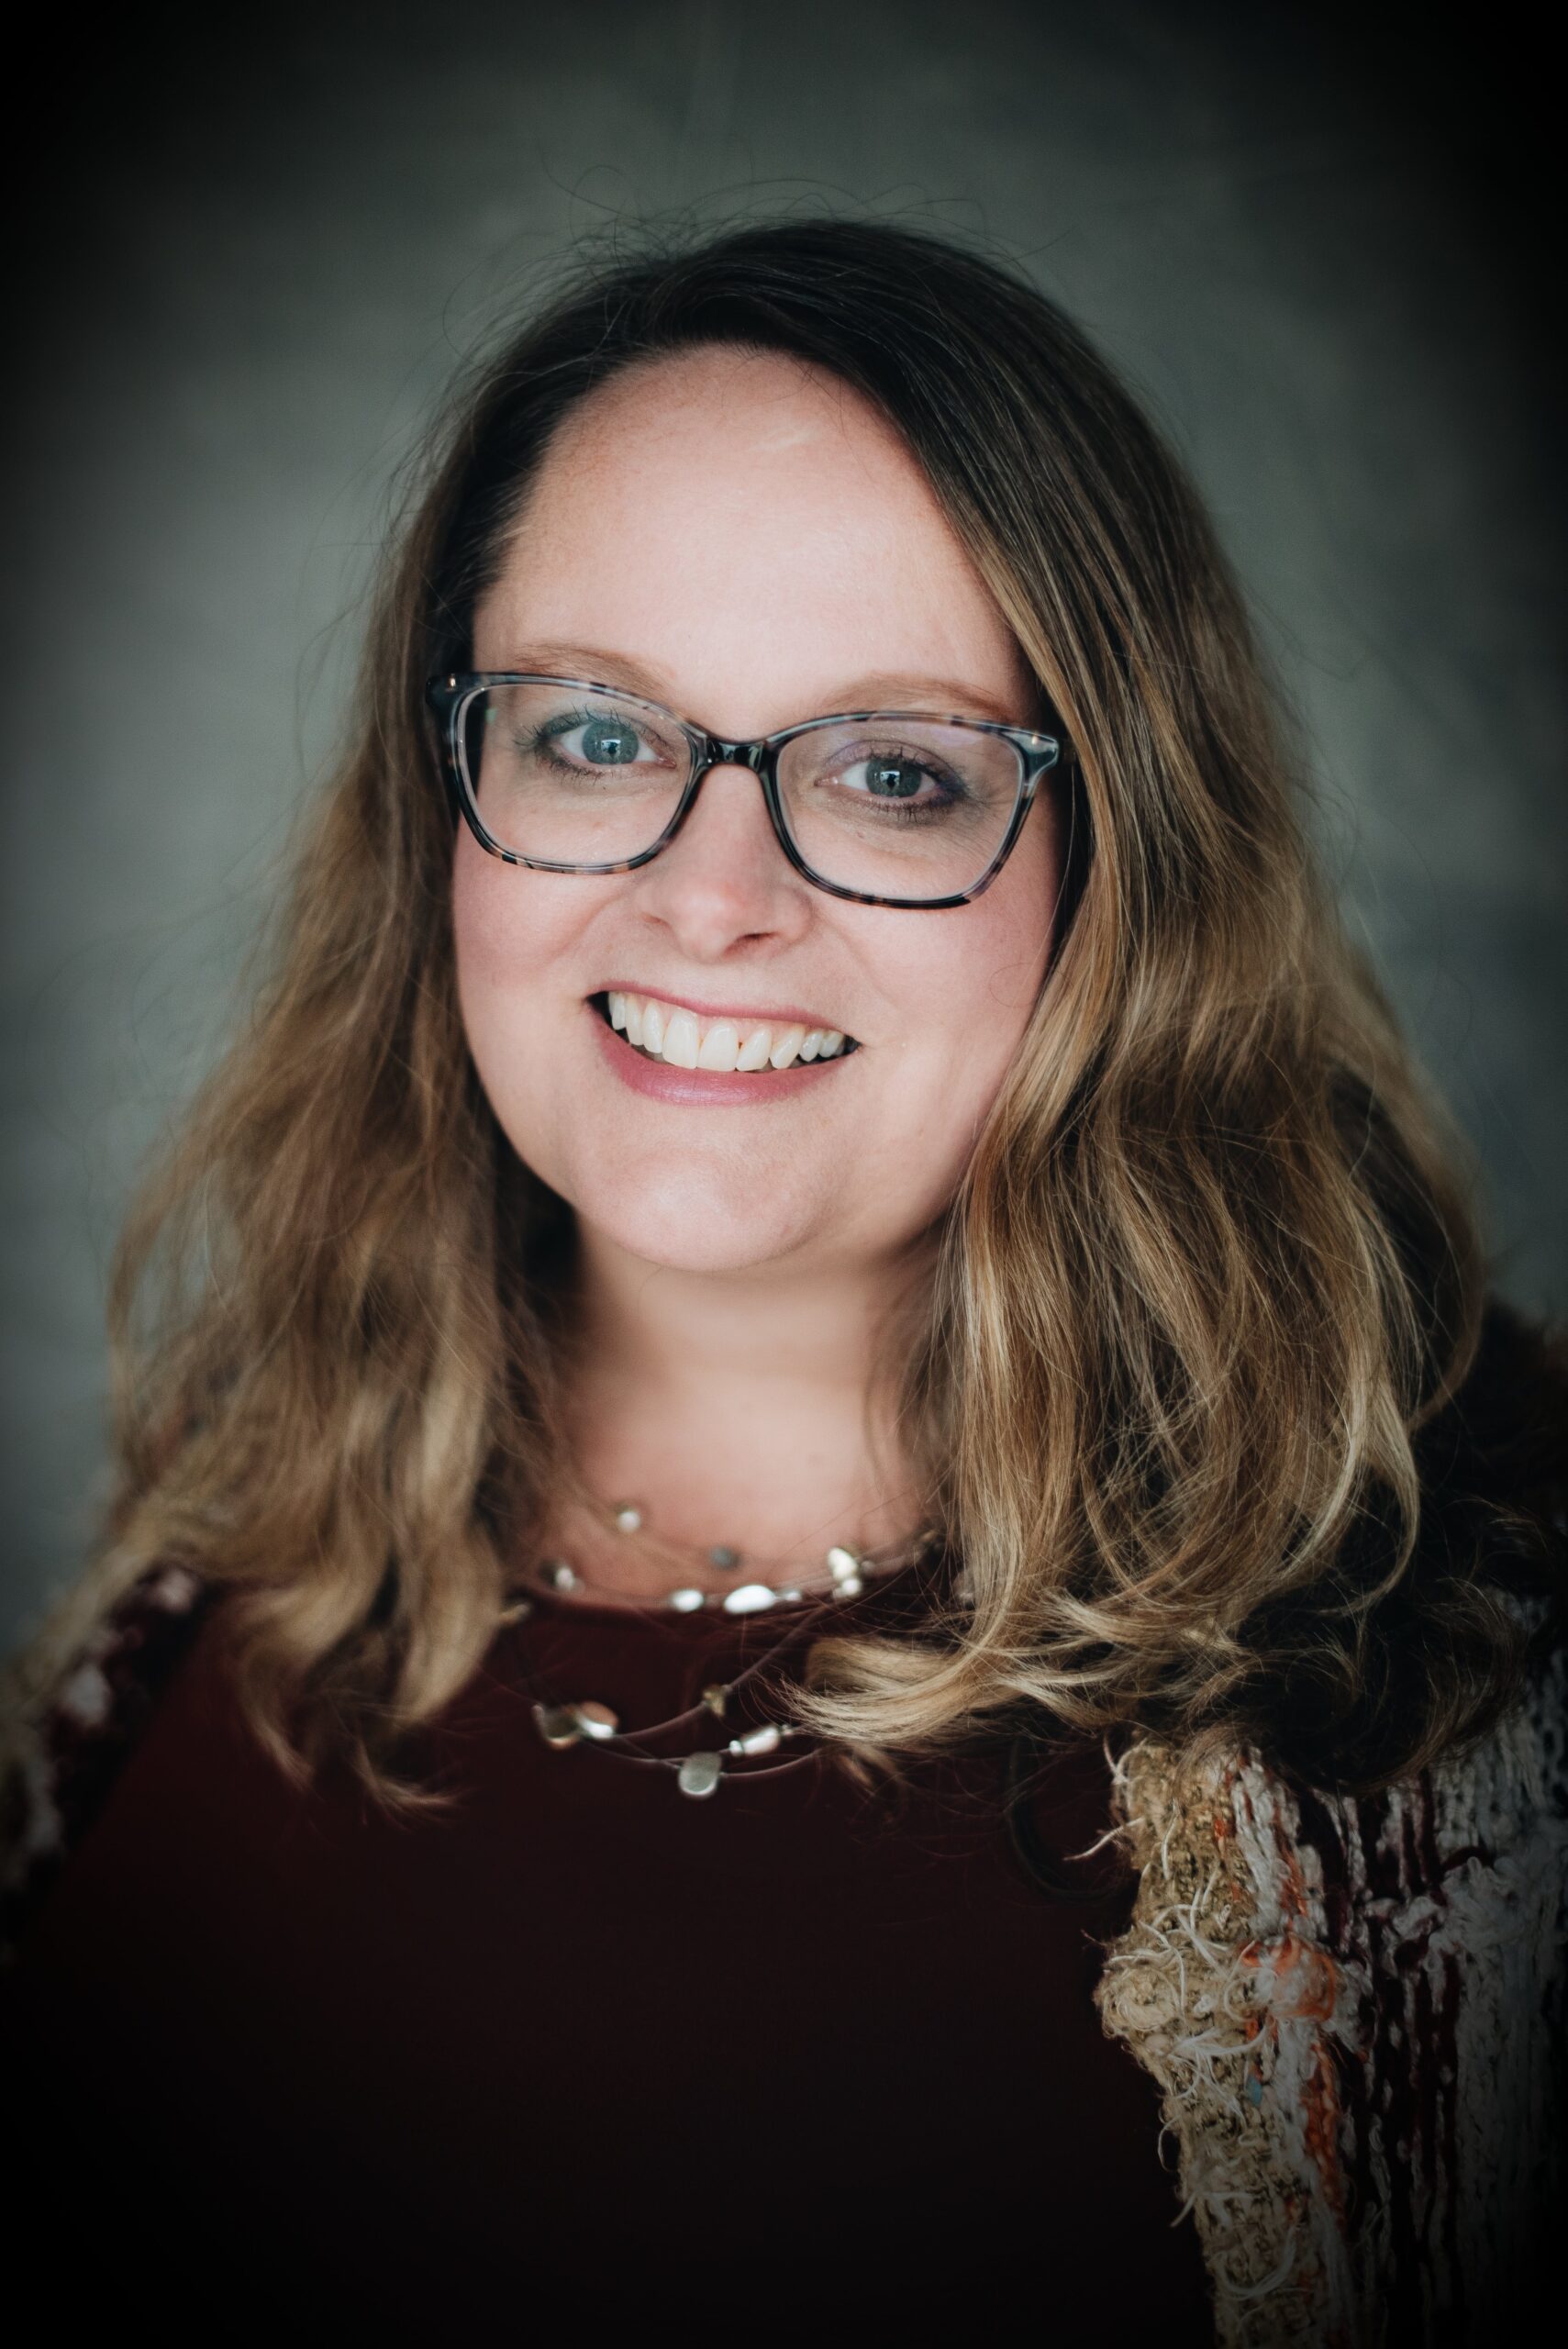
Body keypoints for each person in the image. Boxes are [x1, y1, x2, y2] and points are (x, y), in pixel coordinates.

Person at [2, 217, 1562, 2343]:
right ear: (446, 798)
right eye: (596, 735)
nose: (707, 896)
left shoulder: (1480, 1630)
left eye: (895, 772)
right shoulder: (246, 1488)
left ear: (1124, 870)